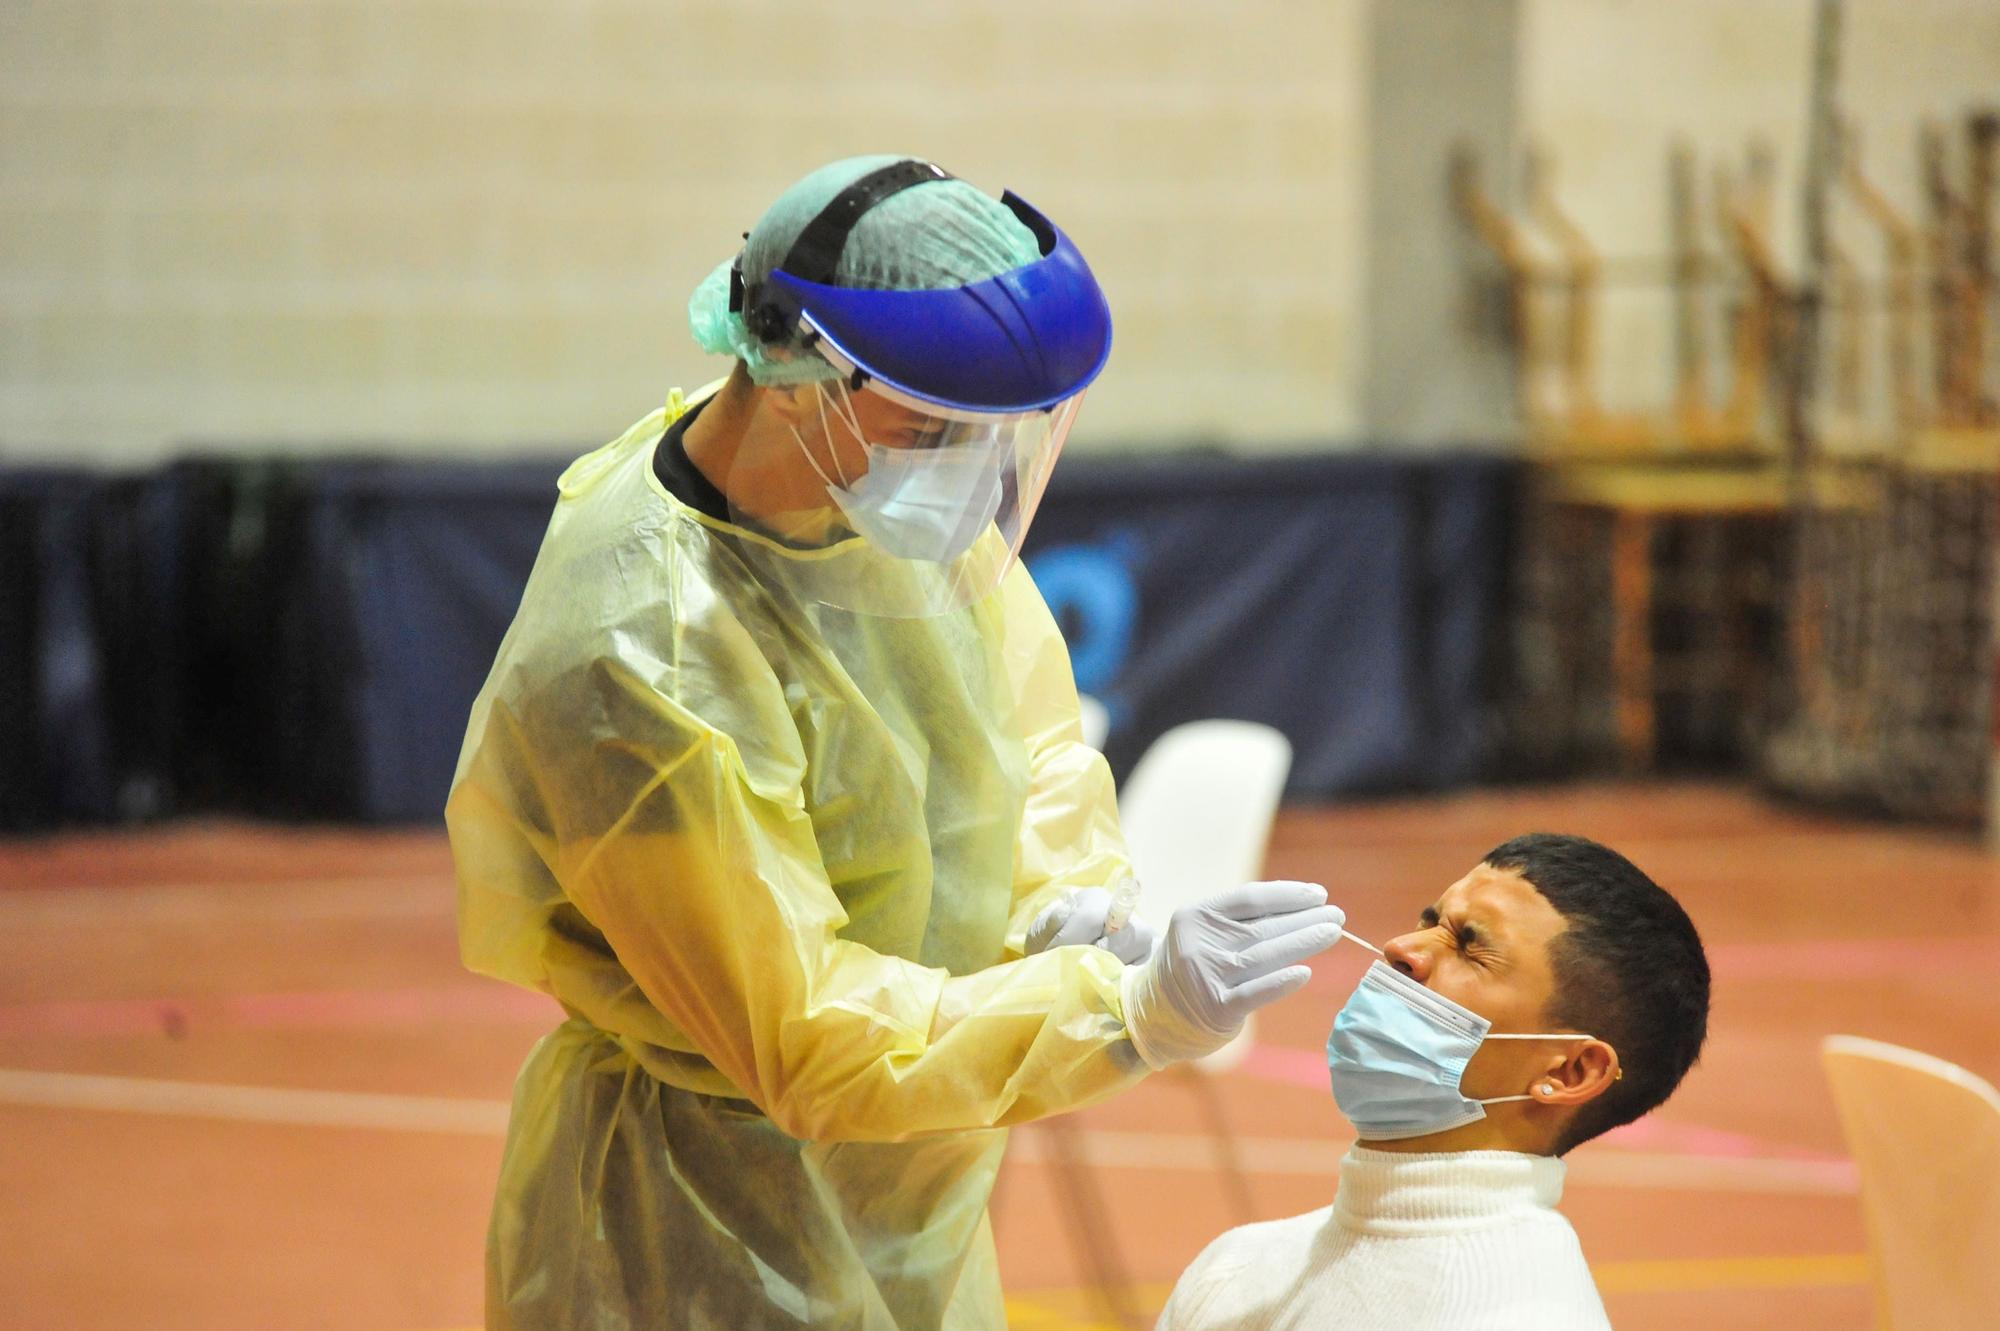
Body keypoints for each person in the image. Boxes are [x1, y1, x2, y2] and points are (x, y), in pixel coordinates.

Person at [445, 155, 1348, 1330]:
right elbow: (805, 1035)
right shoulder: (642, 651)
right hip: (695, 1223)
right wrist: (1117, 1012)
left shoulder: (865, 495)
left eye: (994, 437)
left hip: (911, 1185)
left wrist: (1066, 903)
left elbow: (1026, 746)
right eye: (932, 427)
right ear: (793, 369)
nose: (968, 477)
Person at [1158, 833, 1710, 1331]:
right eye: (1430, 921)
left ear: (1569, 1073)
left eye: (1470, 946)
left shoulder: (1530, 1317)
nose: (1403, 948)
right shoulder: (1234, 1269)